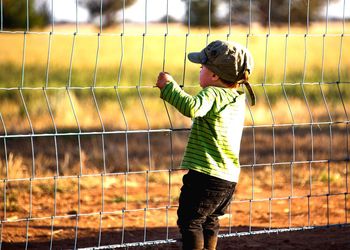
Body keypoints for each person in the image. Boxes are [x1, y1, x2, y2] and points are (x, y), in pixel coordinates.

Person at [156, 40, 255, 250]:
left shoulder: (212, 93)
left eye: (202, 67)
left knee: (190, 220)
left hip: (205, 174)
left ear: (215, 75)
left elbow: (192, 107)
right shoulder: (237, 97)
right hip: (227, 178)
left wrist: (169, 87)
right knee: (210, 221)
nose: (199, 70)